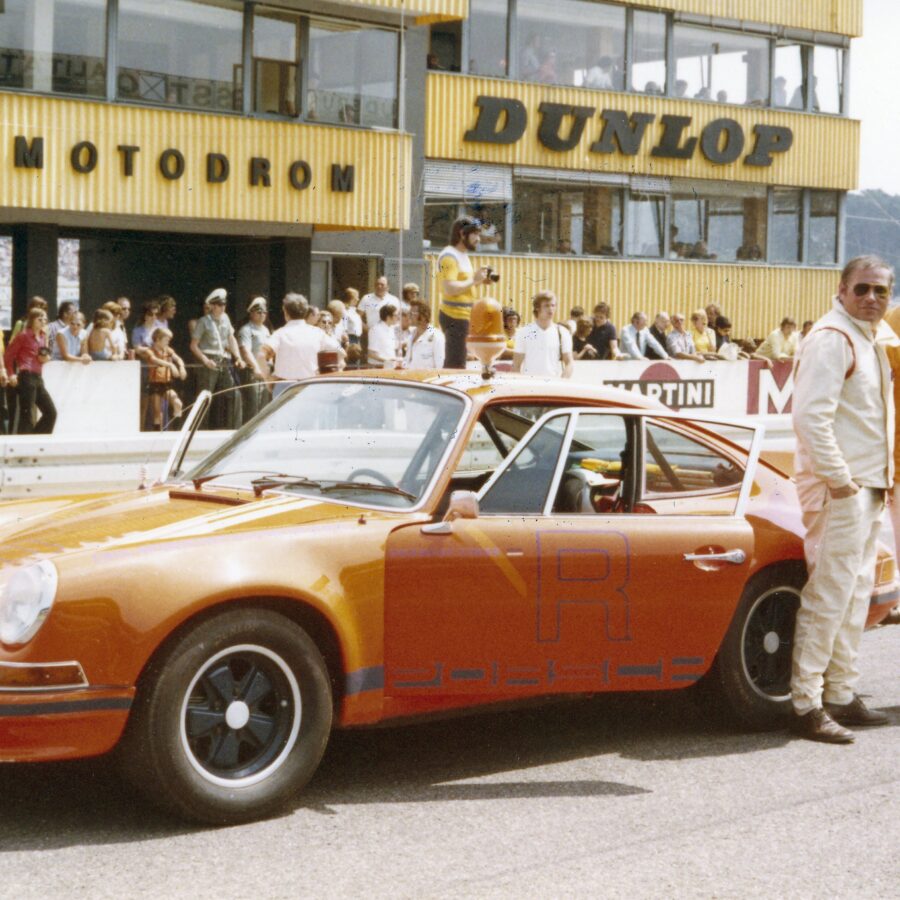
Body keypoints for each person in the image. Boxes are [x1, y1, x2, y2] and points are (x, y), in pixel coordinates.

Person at [790, 255, 896, 743]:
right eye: (863, 289)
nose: (871, 298)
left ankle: (841, 693)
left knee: (855, 594)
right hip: (843, 487)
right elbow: (812, 417)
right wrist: (839, 480)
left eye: (881, 290)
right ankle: (806, 703)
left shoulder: (869, 338)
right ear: (841, 289)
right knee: (829, 595)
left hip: (868, 483)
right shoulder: (833, 339)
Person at [438, 215, 490, 368]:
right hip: (455, 317)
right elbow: (450, 288)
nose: (478, 239)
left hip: (463, 317)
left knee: (459, 362)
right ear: (462, 233)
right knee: (455, 364)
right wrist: (474, 280)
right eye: (475, 234)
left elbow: (463, 287)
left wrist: (479, 281)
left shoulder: (462, 255)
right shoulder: (449, 256)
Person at [189, 287, 245, 429]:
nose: (222, 307)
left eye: (224, 304)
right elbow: (194, 345)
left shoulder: (225, 318)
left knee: (234, 394)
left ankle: (234, 428)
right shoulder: (203, 321)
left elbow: (231, 338)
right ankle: (199, 430)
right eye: (219, 305)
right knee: (205, 397)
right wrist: (205, 360)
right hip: (209, 358)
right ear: (212, 306)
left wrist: (237, 357)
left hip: (223, 359)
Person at [258, 293, 329, 399]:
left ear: (285, 311)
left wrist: (268, 378)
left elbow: (261, 355)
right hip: (310, 386)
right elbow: (340, 351)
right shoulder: (317, 333)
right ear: (305, 311)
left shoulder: (280, 333)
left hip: (284, 387)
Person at [4, 308, 56, 434]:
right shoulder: (23, 335)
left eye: (45, 319)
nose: (43, 321)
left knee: (51, 412)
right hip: (26, 375)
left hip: (37, 376)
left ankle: (35, 440)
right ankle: (25, 447)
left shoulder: (43, 336)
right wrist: (11, 374)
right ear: (32, 320)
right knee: (27, 414)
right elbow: (8, 356)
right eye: (40, 319)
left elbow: (43, 356)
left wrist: (45, 358)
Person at [512, 291, 573, 378]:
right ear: (537, 308)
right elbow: (516, 365)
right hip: (530, 386)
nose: (551, 309)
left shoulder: (562, 332)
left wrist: (563, 382)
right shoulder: (524, 332)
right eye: (546, 305)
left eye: (553, 305)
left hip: (553, 385)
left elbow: (569, 362)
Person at [237, 297, 272, 423]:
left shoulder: (266, 330)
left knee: (264, 407)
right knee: (252, 407)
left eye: (264, 312)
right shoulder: (246, 330)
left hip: (265, 372)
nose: (262, 314)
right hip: (253, 372)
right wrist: (256, 367)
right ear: (251, 312)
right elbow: (245, 351)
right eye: (258, 311)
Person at [146, 327, 186, 429]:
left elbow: (178, 359)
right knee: (158, 413)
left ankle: (177, 428)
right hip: (155, 384)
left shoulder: (168, 350)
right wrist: (170, 365)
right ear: (158, 339)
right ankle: (158, 435)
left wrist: (181, 367)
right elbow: (154, 360)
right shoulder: (150, 350)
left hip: (166, 384)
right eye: (166, 340)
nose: (168, 342)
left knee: (177, 403)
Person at [405, 299, 446, 369]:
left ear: (423, 316)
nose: (409, 316)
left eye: (412, 313)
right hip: (409, 378)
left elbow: (440, 366)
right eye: (409, 313)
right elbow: (407, 361)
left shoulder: (436, 336)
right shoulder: (411, 335)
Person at [367, 304, 400, 368]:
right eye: (395, 315)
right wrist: (387, 361)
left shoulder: (391, 329)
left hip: (390, 366)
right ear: (388, 317)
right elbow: (371, 353)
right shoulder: (375, 330)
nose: (398, 318)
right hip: (378, 367)